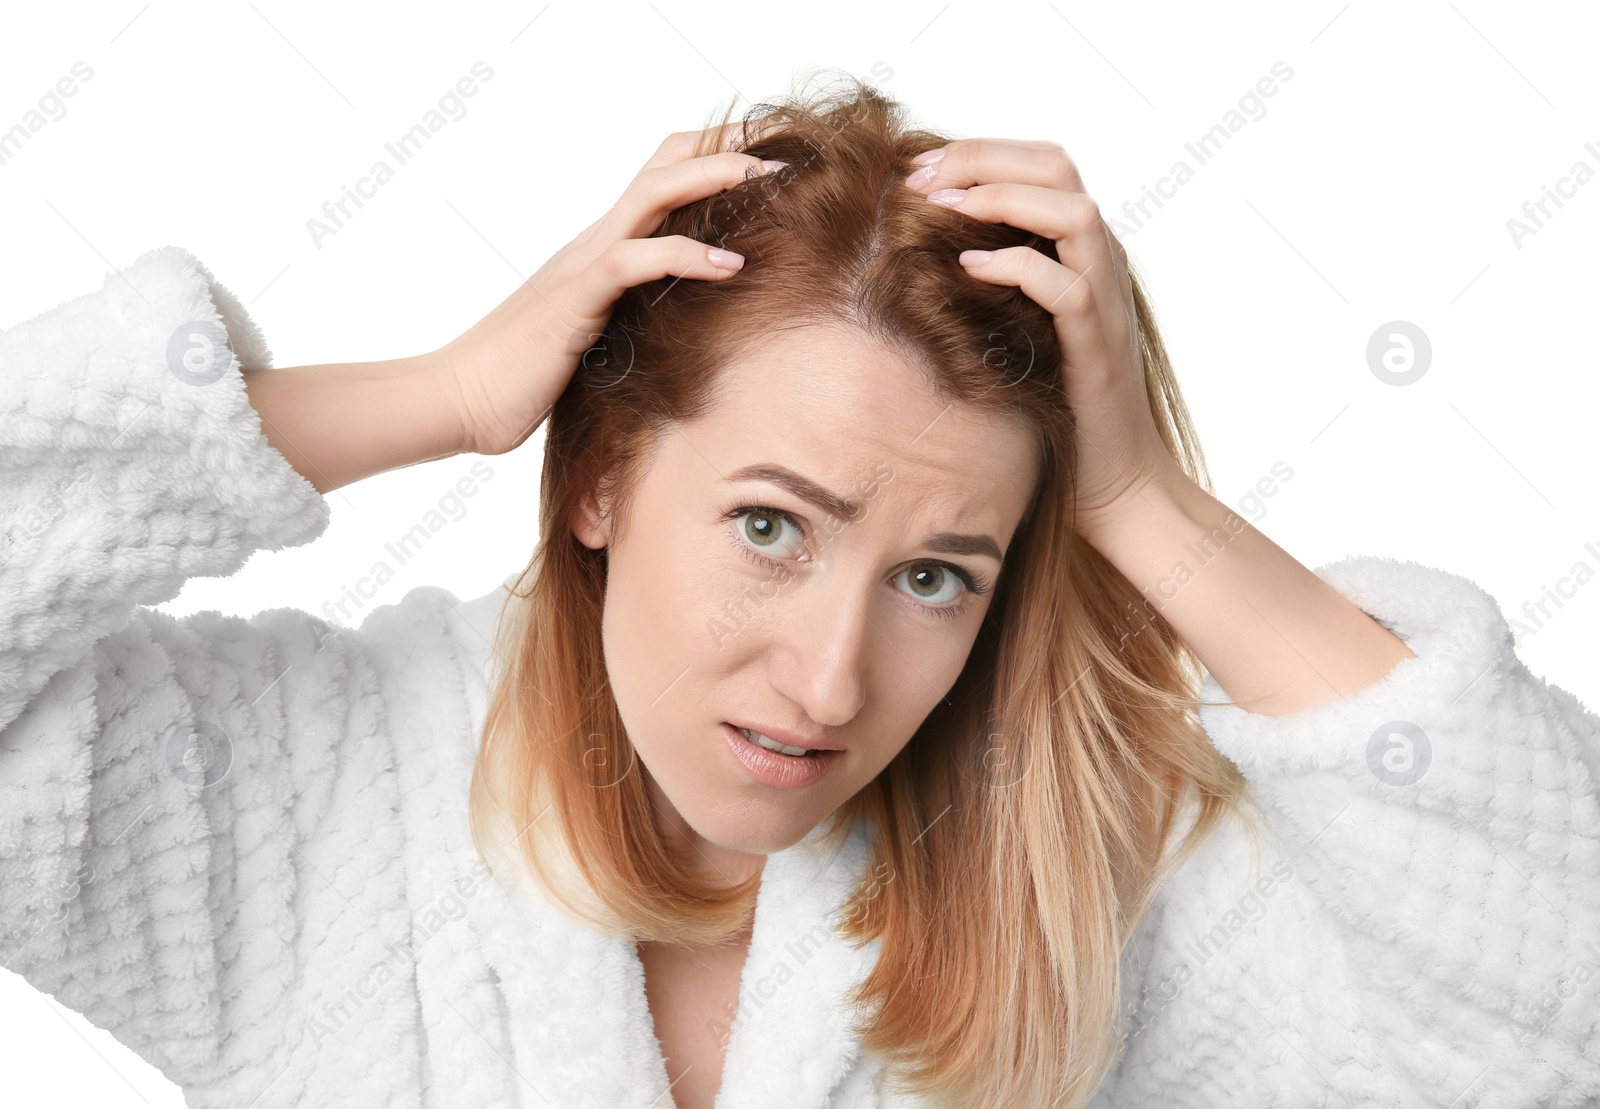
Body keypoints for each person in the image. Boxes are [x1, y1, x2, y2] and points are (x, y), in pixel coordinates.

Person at [2, 71, 1596, 1109]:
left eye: (932, 572)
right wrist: (449, 393)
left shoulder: (1081, 884)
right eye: (772, 526)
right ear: (602, 476)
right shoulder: (310, 805)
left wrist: (1139, 500)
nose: (834, 680)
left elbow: (1547, 1002)